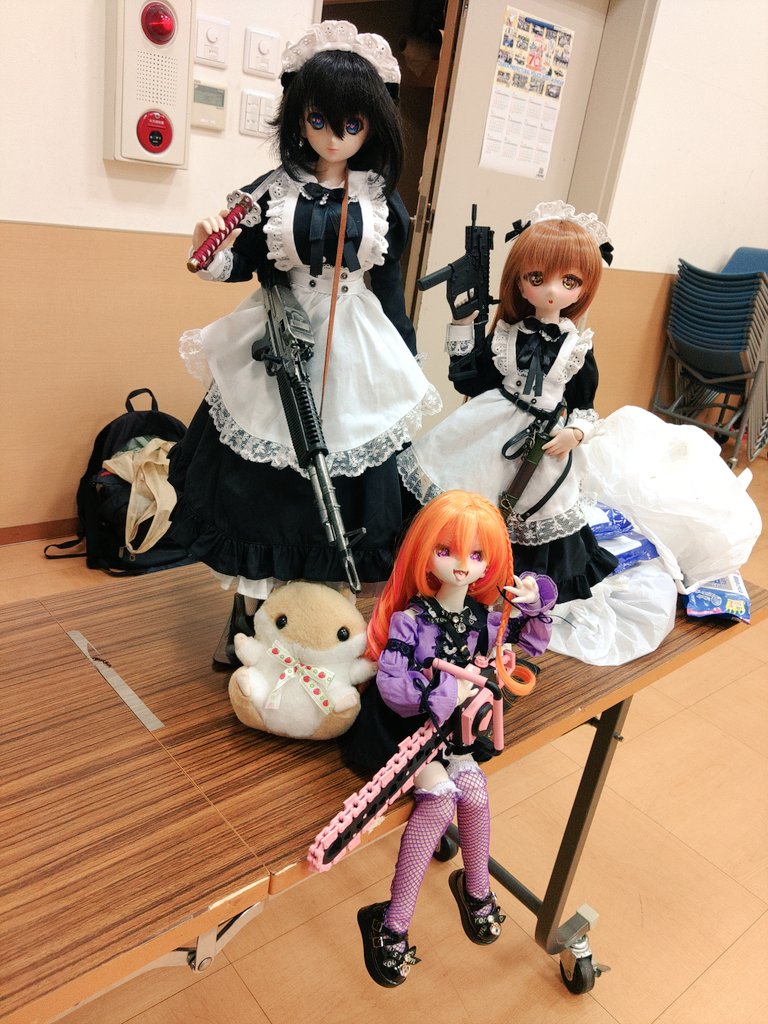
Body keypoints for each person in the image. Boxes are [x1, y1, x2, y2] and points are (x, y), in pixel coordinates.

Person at [168, 21, 440, 662]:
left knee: (346, 487)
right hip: (276, 338)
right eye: (320, 120)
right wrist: (208, 252)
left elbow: (390, 289)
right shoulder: (271, 190)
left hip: (356, 347)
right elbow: (244, 263)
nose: (335, 137)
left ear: (373, 126)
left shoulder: (382, 202)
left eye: (352, 125)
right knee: (263, 485)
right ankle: (250, 619)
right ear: (298, 116)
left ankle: (322, 626)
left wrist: (405, 361)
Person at [343, 490, 557, 986]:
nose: (462, 566)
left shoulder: (483, 619)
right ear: (425, 553)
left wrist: (534, 596)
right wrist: (448, 689)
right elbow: (394, 688)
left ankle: (476, 889)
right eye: (448, 551)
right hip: (407, 727)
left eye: (477, 555)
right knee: (439, 799)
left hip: (456, 731)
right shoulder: (410, 620)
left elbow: (530, 640)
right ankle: (391, 922)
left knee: (476, 791)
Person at [397, 201, 617, 603]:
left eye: (569, 281)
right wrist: (462, 324)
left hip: (543, 442)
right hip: (491, 424)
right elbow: (467, 379)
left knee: (534, 513)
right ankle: (452, 573)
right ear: (519, 279)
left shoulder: (577, 348)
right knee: (465, 497)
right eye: (538, 278)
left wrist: (575, 432)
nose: (552, 290)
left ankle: (516, 591)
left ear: (585, 286)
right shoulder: (506, 336)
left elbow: (585, 405)